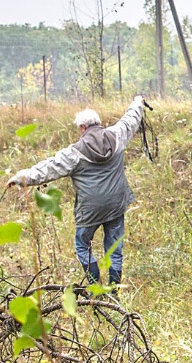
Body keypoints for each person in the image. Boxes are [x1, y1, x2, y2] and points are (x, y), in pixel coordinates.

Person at [8, 95, 147, 285]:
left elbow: (48, 169)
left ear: (82, 128)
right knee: (114, 250)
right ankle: (114, 291)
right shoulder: (117, 135)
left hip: (90, 210)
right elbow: (130, 119)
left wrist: (20, 177)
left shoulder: (74, 153)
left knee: (82, 245)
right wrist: (138, 102)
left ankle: (94, 286)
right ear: (99, 123)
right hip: (116, 204)